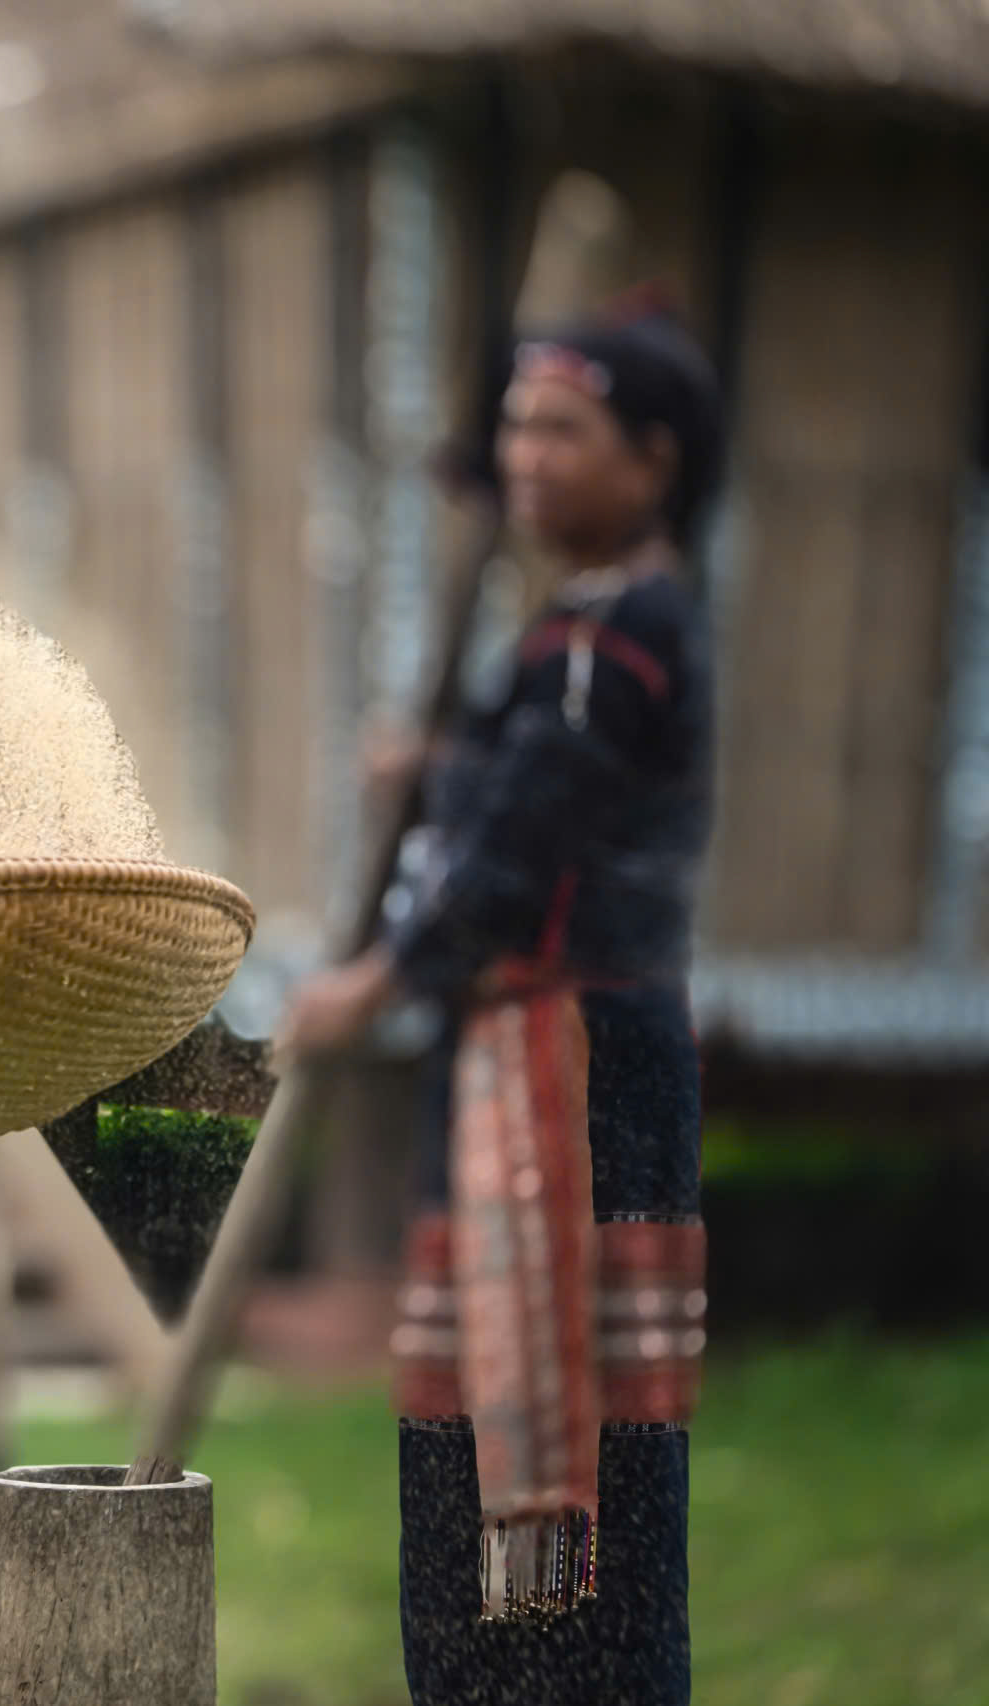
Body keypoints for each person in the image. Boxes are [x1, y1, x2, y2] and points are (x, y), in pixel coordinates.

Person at [282, 306, 722, 1705]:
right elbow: (523, 785)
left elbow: (526, 849)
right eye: (517, 427)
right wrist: (445, 755)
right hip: (540, 1071)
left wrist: (378, 976)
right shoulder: (585, 635)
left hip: (571, 1077)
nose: (526, 456)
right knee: (503, 1418)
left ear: (653, 462)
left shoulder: (620, 635)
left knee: (564, 1438)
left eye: (560, 430)